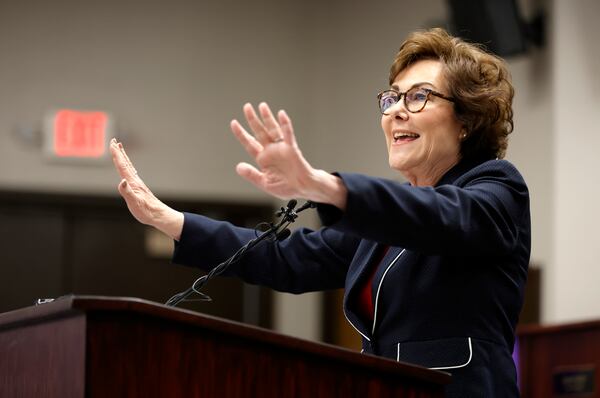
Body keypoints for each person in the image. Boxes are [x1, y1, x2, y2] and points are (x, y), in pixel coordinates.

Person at [111, 28, 530, 397]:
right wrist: (167, 219)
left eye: (419, 96)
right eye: (391, 97)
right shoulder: (383, 221)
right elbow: (287, 258)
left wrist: (323, 186)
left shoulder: (496, 189)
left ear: (466, 121)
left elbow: (441, 218)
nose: (397, 110)